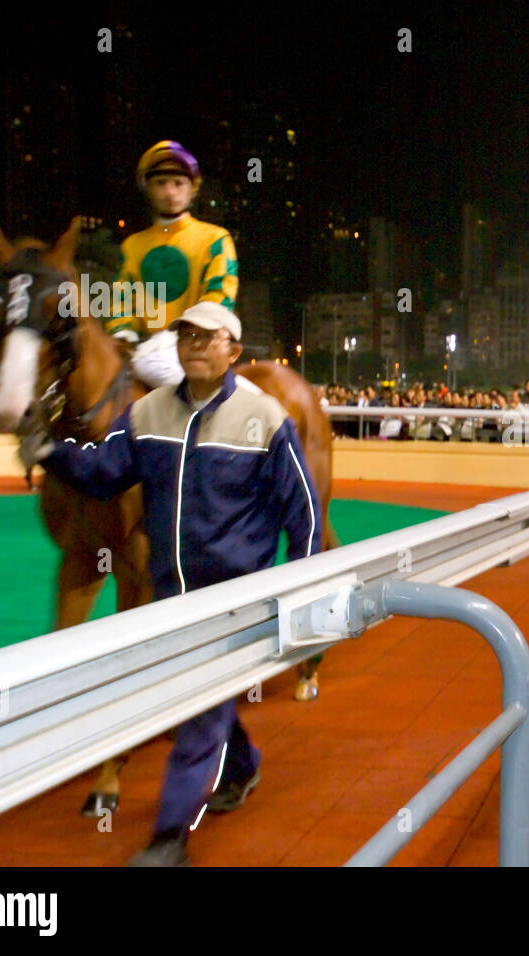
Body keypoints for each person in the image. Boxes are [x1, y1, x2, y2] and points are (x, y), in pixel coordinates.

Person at [18, 301, 322, 865]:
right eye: (187, 336)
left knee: (197, 710)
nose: (197, 345)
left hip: (235, 599)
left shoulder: (267, 419)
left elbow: (301, 512)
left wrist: (300, 591)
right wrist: (48, 451)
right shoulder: (146, 414)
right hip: (170, 596)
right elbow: (104, 474)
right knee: (201, 701)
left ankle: (169, 837)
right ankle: (243, 766)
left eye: (210, 338)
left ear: (234, 351)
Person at [107, 141, 239, 389]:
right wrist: (124, 332)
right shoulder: (132, 246)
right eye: (160, 183)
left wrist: (183, 335)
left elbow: (220, 296)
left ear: (193, 191)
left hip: (201, 347)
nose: (169, 192)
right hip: (146, 350)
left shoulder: (215, 239)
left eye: (178, 184)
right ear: (148, 190)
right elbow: (119, 301)